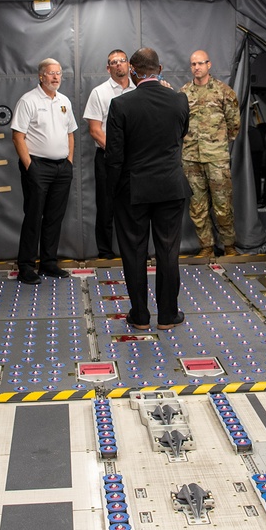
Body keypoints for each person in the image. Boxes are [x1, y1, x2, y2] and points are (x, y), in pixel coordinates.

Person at [106, 48, 191, 331]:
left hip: (133, 189)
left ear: (132, 70)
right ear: (160, 68)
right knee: (168, 252)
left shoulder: (121, 105)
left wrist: (113, 192)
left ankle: (140, 316)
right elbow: (180, 135)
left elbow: (114, 156)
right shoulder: (179, 100)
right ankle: (168, 315)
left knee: (134, 252)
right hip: (170, 186)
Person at [11, 58, 78, 285]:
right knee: (34, 216)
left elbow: (70, 133)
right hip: (37, 166)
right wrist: (30, 166)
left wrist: (68, 162)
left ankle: (48, 263)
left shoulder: (64, 101)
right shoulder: (28, 100)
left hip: (61, 168)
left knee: (54, 217)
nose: (56, 77)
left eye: (59, 73)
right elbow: (18, 136)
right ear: (41, 76)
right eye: (51, 73)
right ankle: (26, 267)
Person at [180, 50, 241, 257]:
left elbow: (234, 124)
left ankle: (229, 245)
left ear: (209, 64)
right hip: (191, 158)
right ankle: (206, 246)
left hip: (216, 158)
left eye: (200, 63)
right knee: (197, 206)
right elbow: (179, 124)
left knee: (223, 204)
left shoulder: (224, 92)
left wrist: (217, 144)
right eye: (193, 64)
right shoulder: (184, 93)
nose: (197, 67)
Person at [82, 49, 135, 258]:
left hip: (135, 158)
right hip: (107, 158)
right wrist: (116, 152)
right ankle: (105, 251)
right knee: (106, 205)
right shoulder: (99, 93)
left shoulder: (138, 90)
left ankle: (133, 250)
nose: (119, 65)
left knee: (134, 205)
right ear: (108, 68)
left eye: (122, 61)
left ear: (129, 65)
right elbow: (95, 130)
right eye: (114, 62)